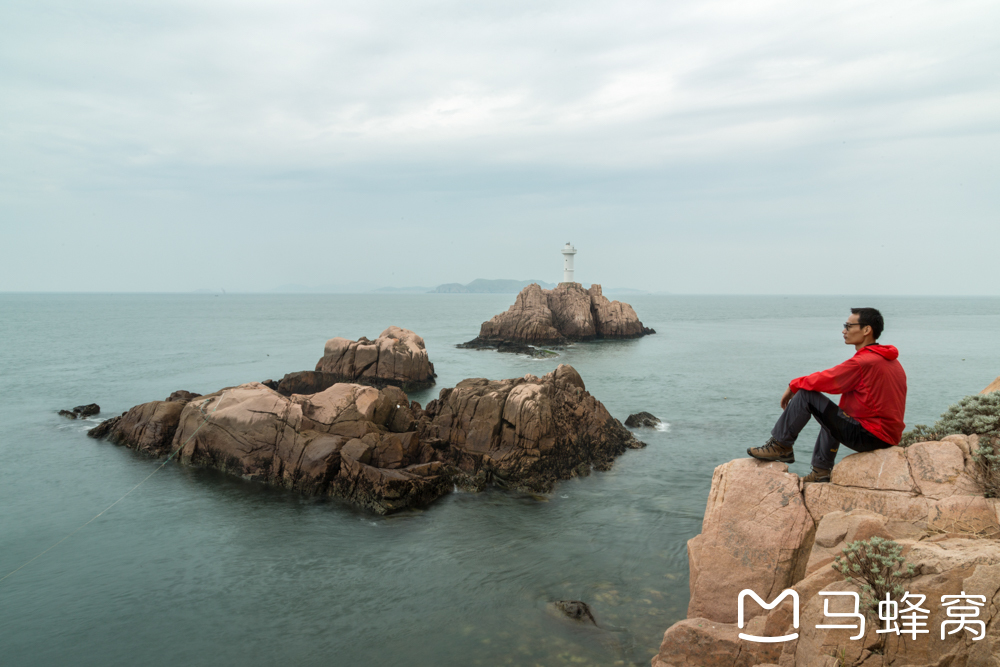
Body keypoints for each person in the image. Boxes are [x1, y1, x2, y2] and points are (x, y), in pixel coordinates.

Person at [746, 307, 907, 483]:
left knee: (806, 395)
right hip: (887, 436)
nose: (844, 330)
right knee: (832, 415)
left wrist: (794, 386)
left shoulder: (864, 362)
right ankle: (821, 471)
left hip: (871, 435)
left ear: (866, 330)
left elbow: (829, 379)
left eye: (848, 326)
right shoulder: (890, 361)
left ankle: (780, 445)